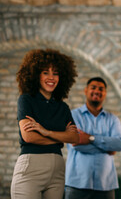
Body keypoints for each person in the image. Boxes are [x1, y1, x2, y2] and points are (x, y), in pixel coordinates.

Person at [11, 49, 79, 199]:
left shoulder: (62, 107)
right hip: (31, 168)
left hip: (57, 171)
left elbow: (75, 138)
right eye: (45, 72)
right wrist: (61, 137)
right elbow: (29, 137)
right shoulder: (26, 100)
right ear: (35, 75)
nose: (51, 77)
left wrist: (45, 132)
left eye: (55, 73)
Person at [65, 77, 121, 199]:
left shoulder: (113, 119)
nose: (97, 91)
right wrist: (107, 148)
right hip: (77, 184)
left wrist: (90, 138)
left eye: (101, 89)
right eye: (93, 88)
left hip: (105, 185)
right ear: (86, 90)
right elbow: (75, 145)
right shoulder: (73, 115)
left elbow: (119, 145)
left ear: (105, 93)